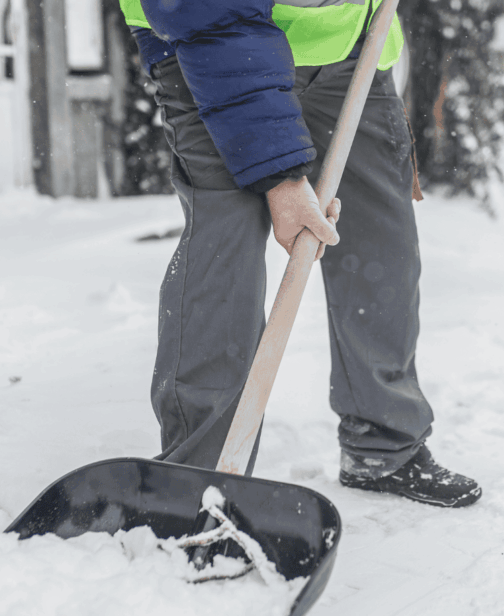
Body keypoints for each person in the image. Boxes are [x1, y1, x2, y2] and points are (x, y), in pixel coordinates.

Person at [119, 0, 481, 508]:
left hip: (352, 47)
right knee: (228, 243)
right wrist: (281, 176)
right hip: (207, 42)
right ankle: (198, 474)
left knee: (381, 242)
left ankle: (382, 444)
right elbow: (207, 14)